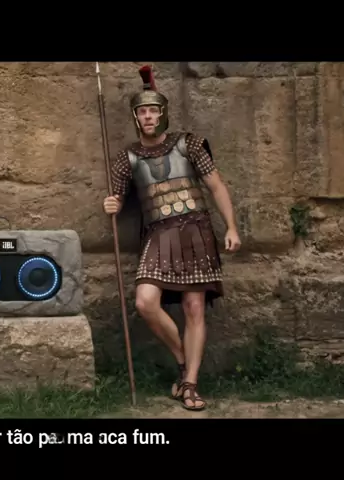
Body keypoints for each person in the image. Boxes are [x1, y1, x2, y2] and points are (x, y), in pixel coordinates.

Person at [102, 65, 241, 411]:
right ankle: (182, 360)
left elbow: (216, 186)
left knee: (194, 307)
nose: (148, 117)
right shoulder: (126, 158)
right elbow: (118, 198)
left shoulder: (188, 144)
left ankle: (190, 384)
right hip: (158, 234)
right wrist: (111, 203)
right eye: (142, 112)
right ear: (136, 118)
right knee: (145, 302)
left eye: (153, 111)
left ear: (162, 113)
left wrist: (232, 227)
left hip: (195, 231)